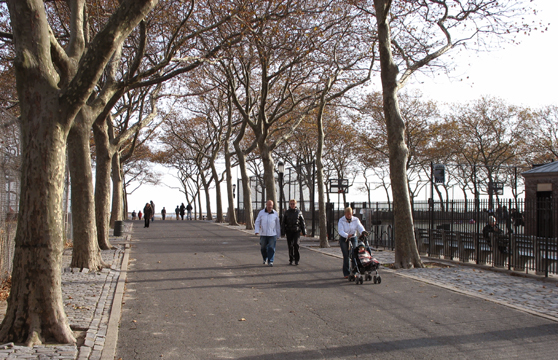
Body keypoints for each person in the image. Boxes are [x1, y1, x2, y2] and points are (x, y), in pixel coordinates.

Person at [338, 207, 365, 278]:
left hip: (353, 237)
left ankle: (354, 271)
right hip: (344, 238)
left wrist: (363, 232)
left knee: (354, 254)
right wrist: (346, 235)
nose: (349, 216)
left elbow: (360, 227)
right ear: (345, 214)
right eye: (347, 215)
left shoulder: (356, 220)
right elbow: (340, 231)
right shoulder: (341, 220)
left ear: (352, 214)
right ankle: (346, 273)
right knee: (346, 255)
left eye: (350, 214)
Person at [255, 200, 281, 267]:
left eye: (271, 205)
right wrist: (257, 230)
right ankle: (265, 258)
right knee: (263, 247)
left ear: (273, 205)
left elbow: (277, 224)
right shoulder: (261, 213)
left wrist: (278, 234)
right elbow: (257, 222)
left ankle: (271, 261)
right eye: (268, 205)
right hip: (263, 234)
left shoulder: (275, 213)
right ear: (266, 205)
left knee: (271, 248)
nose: (269, 206)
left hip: (272, 234)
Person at [281, 199, 306, 265]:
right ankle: (291, 259)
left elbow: (302, 222)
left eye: (293, 204)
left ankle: (297, 259)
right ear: (289, 204)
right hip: (289, 231)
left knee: (296, 244)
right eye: (291, 204)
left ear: (295, 204)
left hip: (296, 231)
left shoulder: (299, 212)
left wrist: (304, 231)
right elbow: (283, 223)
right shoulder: (286, 212)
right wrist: (283, 232)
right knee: (290, 245)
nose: (292, 205)